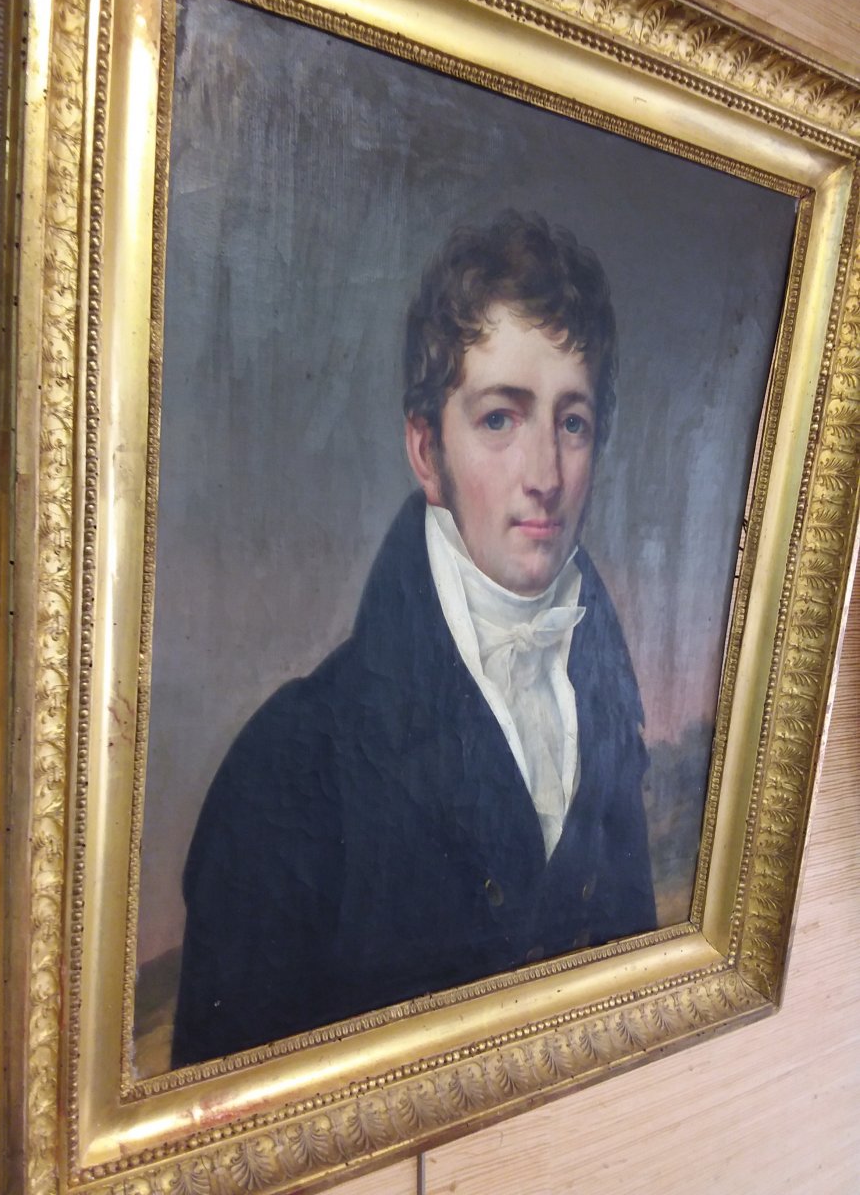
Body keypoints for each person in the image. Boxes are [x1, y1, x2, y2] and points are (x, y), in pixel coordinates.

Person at [171, 211, 656, 1068]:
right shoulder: (288, 767)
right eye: (500, 419)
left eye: (572, 422)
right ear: (426, 450)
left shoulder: (607, 705)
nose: (544, 474)